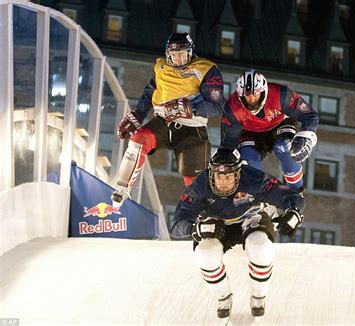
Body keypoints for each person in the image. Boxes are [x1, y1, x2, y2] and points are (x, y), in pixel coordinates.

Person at [170, 147, 305, 321]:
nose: (223, 182)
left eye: (228, 177)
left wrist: (294, 214)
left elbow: (291, 198)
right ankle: (223, 296)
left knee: (261, 246)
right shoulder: (200, 185)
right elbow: (178, 223)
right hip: (215, 222)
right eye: (219, 177)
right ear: (211, 174)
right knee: (205, 253)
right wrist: (195, 229)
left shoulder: (254, 179)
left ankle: (259, 295)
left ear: (239, 174)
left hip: (250, 215)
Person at [111, 33, 224, 207]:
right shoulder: (161, 67)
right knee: (138, 139)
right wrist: (138, 115)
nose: (178, 58)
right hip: (163, 121)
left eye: (182, 54)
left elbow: (216, 105)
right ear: (168, 54)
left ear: (190, 53)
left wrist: (190, 107)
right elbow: (150, 93)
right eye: (174, 54)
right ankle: (122, 189)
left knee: (194, 181)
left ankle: (205, 216)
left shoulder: (206, 69)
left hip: (192, 127)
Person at [220, 69, 319, 193]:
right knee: (248, 159)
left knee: (285, 148)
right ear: (240, 96)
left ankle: (296, 192)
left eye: (255, 94)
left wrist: (305, 136)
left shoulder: (280, 95)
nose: (252, 100)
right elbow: (229, 142)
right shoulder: (231, 108)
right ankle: (257, 199)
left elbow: (309, 115)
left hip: (279, 125)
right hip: (249, 133)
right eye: (247, 96)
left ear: (264, 91)